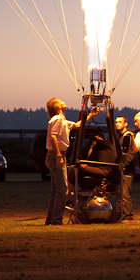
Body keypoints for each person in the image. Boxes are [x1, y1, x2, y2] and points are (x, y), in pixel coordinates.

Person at [44, 97, 98, 226]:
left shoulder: (61, 120)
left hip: (55, 155)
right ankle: (56, 220)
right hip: (56, 155)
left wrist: (91, 115)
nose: (64, 101)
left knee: (56, 190)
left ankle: (51, 219)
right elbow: (53, 136)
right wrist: (58, 155)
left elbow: (78, 125)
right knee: (63, 189)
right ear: (57, 106)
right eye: (60, 101)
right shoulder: (57, 119)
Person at [116, 115, 137, 221]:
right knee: (119, 191)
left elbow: (131, 153)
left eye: (120, 122)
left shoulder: (128, 136)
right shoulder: (117, 137)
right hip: (119, 168)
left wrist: (124, 164)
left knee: (125, 192)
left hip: (127, 169)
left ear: (125, 124)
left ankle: (128, 215)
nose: (117, 124)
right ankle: (121, 214)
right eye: (116, 122)